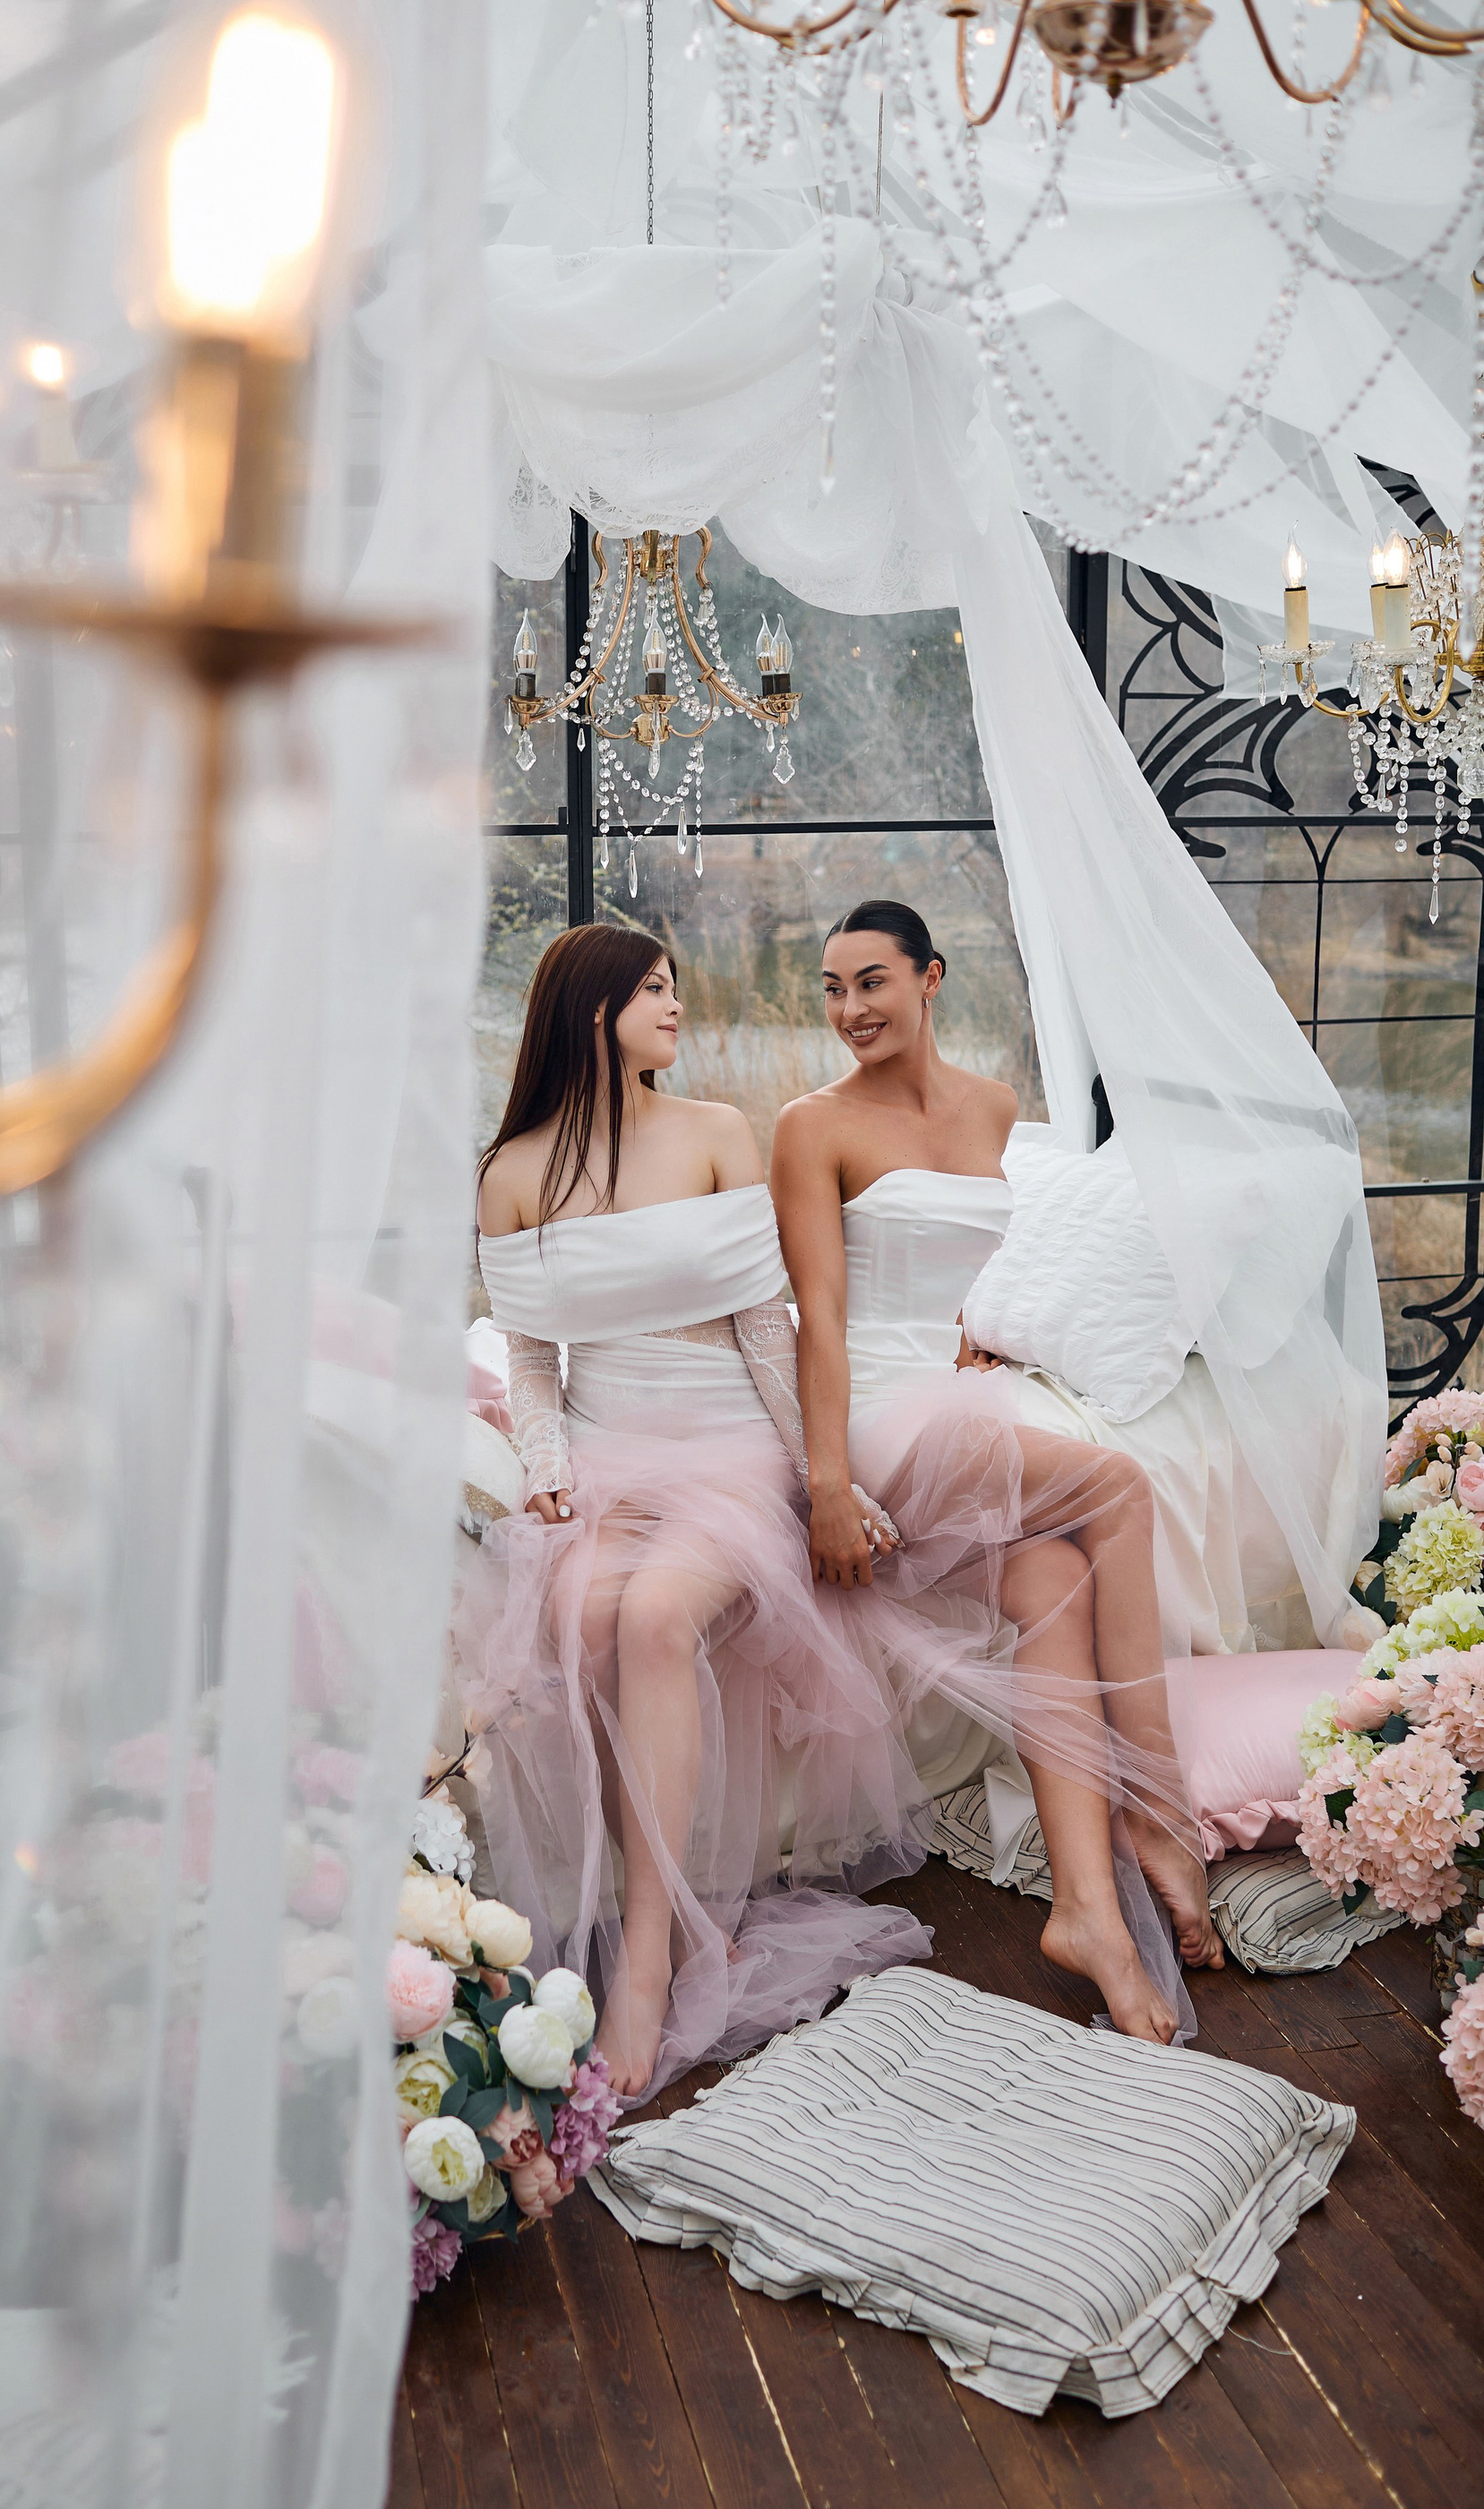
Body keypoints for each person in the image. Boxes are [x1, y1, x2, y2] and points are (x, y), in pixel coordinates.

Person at [455, 924, 928, 2100]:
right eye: (655, 989)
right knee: (589, 1620)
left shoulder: (715, 1131)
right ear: (592, 1008)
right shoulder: (511, 1170)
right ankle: (659, 1916)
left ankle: (650, 1959)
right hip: (608, 1449)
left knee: (660, 1615)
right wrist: (547, 1460)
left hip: (729, 1444)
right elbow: (532, 1359)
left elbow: (768, 1330)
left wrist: (822, 1476)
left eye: (673, 987)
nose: (676, 1006)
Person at [772, 898, 1222, 2047]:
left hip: (944, 1391)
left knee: (1052, 1585)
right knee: (1117, 1487)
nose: (849, 1009)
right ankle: (1157, 1810)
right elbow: (819, 1317)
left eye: (871, 981)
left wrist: (971, 1333)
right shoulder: (811, 1125)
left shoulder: (996, 1107)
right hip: (868, 1419)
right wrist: (828, 1484)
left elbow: (945, 1263)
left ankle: (1088, 1915)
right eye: (832, 988)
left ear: (930, 979)